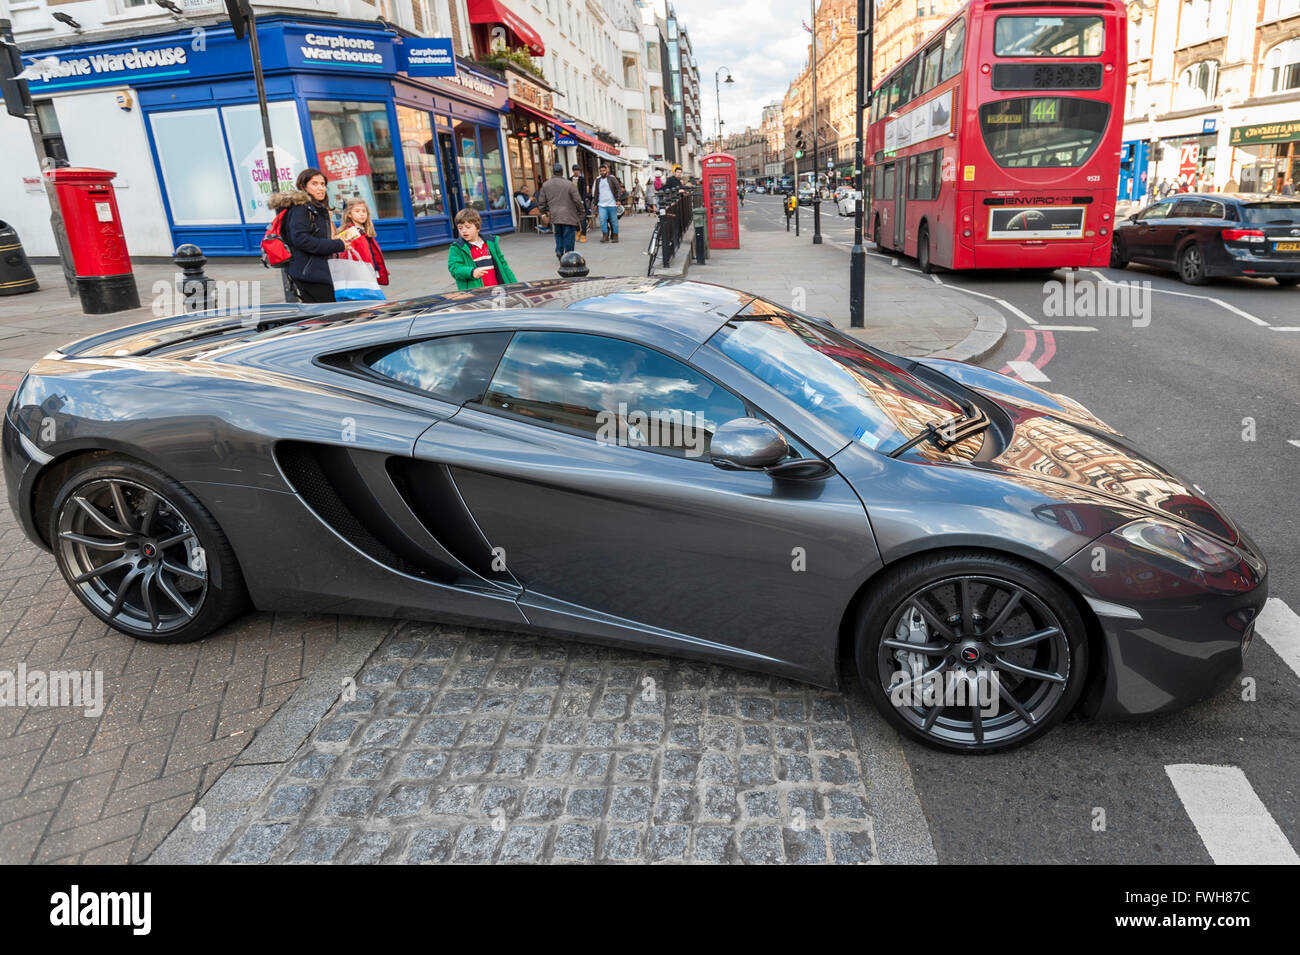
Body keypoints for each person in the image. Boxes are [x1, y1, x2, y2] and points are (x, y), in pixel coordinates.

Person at [272, 167, 359, 303]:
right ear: (303, 186)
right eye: (315, 184)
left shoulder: (315, 208)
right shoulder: (301, 208)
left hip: (317, 271)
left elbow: (317, 238)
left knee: (323, 315)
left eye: (323, 184)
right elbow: (302, 240)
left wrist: (338, 240)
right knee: (328, 315)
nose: (321, 188)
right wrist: (337, 245)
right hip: (310, 274)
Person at [447, 207, 516, 290]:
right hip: (475, 294)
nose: (464, 231)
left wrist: (515, 285)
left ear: (477, 228)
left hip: (497, 290)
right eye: (460, 228)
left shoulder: (491, 243)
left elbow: (503, 265)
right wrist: (471, 272)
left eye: (468, 227)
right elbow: (455, 268)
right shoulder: (457, 248)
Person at [535, 162, 584, 260]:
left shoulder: (546, 185)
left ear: (553, 172)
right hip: (569, 215)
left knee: (558, 234)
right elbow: (577, 200)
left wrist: (543, 213)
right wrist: (581, 211)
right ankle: (568, 255)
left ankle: (559, 251)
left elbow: (541, 201)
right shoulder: (569, 184)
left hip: (555, 215)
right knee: (569, 235)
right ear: (562, 172)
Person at [340, 197, 389, 290]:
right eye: (357, 211)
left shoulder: (365, 231)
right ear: (349, 214)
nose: (361, 214)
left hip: (370, 271)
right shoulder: (349, 232)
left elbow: (372, 253)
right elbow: (346, 255)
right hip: (359, 275)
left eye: (364, 211)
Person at [594, 163, 625, 242]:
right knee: (602, 220)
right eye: (601, 171)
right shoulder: (598, 180)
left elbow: (618, 189)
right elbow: (596, 192)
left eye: (604, 170)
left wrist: (618, 200)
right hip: (601, 204)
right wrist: (595, 203)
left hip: (612, 204)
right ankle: (605, 236)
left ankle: (615, 236)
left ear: (606, 170)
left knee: (614, 221)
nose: (602, 172)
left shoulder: (612, 178)